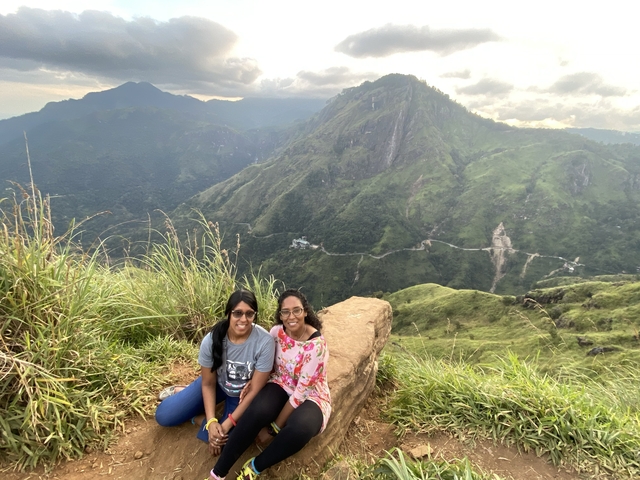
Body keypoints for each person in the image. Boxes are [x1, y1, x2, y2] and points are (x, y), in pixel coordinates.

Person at [206, 289, 331, 480]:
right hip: (281, 382)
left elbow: (299, 395)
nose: (291, 317)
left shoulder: (317, 346)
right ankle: (218, 473)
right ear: (280, 315)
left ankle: (255, 467)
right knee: (257, 409)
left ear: (305, 311)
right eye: (285, 312)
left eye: (296, 310)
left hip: (310, 394)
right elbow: (267, 363)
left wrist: (273, 429)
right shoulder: (276, 333)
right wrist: (253, 380)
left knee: (301, 428)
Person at [155, 290, 275, 456]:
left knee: (228, 442)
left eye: (249, 314)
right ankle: (182, 391)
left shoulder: (264, 342)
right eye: (237, 313)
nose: (243, 319)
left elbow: (254, 391)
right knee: (164, 416)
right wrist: (212, 421)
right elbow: (208, 383)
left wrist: (225, 425)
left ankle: (198, 418)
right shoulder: (212, 340)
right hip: (217, 384)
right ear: (228, 313)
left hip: (241, 395)